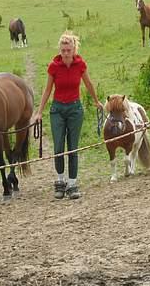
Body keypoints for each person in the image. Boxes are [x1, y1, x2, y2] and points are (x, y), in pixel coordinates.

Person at [34, 31, 103, 199]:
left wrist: (96, 101)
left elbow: (88, 83)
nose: (65, 53)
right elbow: (47, 89)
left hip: (75, 109)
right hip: (57, 109)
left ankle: (72, 183)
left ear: (74, 50)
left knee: (73, 148)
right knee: (58, 147)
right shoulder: (53, 67)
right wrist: (39, 112)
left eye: (68, 50)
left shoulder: (80, 65)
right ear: (60, 50)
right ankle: (60, 181)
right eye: (63, 50)